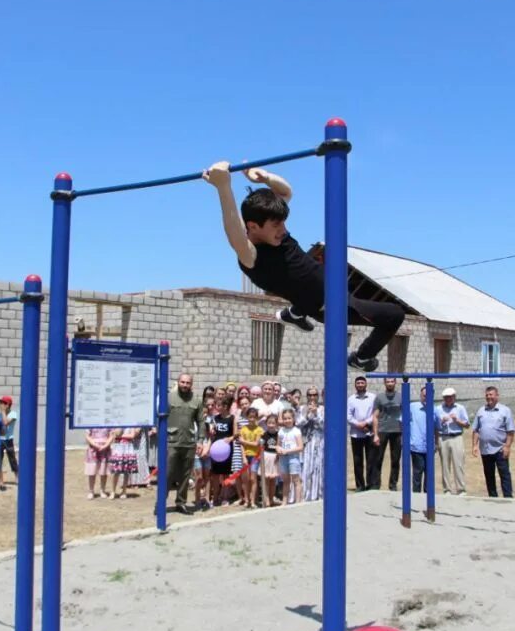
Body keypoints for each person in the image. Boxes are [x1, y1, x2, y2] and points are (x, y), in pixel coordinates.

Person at [203, 161, 405, 372]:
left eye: (283, 223)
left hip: (321, 291)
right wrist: (223, 186)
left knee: (308, 281)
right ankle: (362, 358)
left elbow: (285, 191)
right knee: (394, 315)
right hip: (330, 305)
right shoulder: (251, 255)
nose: (283, 230)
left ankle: (295, 314)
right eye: (276, 226)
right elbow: (233, 229)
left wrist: (264, 177)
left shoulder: (276, 232)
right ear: (253, 226)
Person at [167, 373, 205, 515]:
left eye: (187, 383)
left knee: (185, 474)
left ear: (191, 384)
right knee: (168, 473)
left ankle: (181, 503)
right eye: (182, 382)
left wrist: (200, 440)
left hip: (189, 443)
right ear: (178, 383)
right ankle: (161, 502)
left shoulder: (196, 400)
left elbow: (201, 422)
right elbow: (161, 418)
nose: (185, 385)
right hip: (171, 442)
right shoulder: (169, 398)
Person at [471, 386, 515, 499]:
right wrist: (474, 445)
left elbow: (510, 431)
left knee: (504, 474)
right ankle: (492, 498)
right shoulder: (481, 410)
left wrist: (507, 446)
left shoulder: (505, 410)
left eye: (491, 394)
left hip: (500, 449)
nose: (489, 397)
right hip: (485, 449)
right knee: (489, 475)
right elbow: (476, 430)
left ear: (497, 395)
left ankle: (508, 498)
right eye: (487, 395)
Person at [369, 377, 403, 492]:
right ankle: (375, 485)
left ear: (395, 383)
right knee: (378, 459)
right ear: (384, 383)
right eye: (387, 382)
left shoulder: (401, 397)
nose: (390, 383)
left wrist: (404, 432)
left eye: (391, 381)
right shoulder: (379, 397)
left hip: (397, 431)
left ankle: (393, 485)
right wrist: (375, 434)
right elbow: (375, 416)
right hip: (382, 431)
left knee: (395, 459)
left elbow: (405, 415)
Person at [438, 387, 470, 496]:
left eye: (450, 397)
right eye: (446, 397)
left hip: (457, 437)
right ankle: (447, 489)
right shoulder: (438, 409)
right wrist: (442, 421)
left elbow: (467, 425)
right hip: (443, 437)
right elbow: (435, 425)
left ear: (454, 397)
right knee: (445, 465)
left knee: (458, 463)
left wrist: (457, 420)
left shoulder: (460, 408)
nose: (448, 399)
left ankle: (461, 489)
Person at [409, 386, 441, 493]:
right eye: (424, 395)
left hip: (429, 446)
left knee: (429, 472)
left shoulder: (434, 410)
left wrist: (436, 443)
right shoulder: (412, 407)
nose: (426, 397)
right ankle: (416, 495)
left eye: (428, 396)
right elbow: (402, 422)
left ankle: (428, 495)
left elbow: (436, 428)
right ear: (420, 395)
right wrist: (406, 438)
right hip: (416, 445)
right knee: (418, 471)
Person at [347, 376, 376, 491]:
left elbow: (375, 413)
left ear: (366, 384)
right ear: (355, 385)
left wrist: (366, 423)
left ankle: (370, 484)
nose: (360, 385)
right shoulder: (351, 399)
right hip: (356, 434)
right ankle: (360, 485)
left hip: (369, 432)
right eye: (358, 383)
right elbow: (348, 416)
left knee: (371, 460)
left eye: (362, 383)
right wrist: (358, 424)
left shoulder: (372, 397)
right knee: (357, 461)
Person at [209, 397, 236, 507]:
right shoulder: (215, 418)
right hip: (216, 450)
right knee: (215, 475)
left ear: (225, 406)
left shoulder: (232, 418)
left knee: (226, 475)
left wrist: (230, 439)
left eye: (219, 405)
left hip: (226, 450)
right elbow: (212, 431)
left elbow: (236, 434)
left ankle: (225, 497)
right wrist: (211, 430)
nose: (216, 407)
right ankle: (215, 497)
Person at [299, 387, 325, 502]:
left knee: (318, 467)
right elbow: (298, 424)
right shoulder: (302, 408)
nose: (312, 397)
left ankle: (318, 494)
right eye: (310, 395)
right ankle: (306, 494)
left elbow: (324, 425)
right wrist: (307, 415)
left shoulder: (323, 409)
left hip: (319, 441)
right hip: (306, 442)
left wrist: (315, 414)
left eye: (314, 395)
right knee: (306, 467)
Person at [238, 407, 264, 509]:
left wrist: (244, 441)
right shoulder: (243, 429)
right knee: (246, 479)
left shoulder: (259, 429)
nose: (252, 419)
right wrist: (243, 457)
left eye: (254, 417)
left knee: (253, 479)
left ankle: (253, 501)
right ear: (247, 417)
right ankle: (247, 500)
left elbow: (256, 444)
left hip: (255, 456)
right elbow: (241, 446)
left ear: (257, 418)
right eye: (250, 417)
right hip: (246, 456)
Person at [277, 409, 304, 505]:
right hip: (283, 458)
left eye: (289, 418)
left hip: (293, 457)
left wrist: (287, 451)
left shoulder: (296, 431)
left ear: (293, 419)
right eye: (285, 418)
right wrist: (278, 449)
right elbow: (278, 444)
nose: (287, 420)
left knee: (296, 479)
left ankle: (298, 501)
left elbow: (300, 447)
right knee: (286, 480)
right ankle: (284, 501)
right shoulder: (281, 431)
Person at [109, 427, 140, 498]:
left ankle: (124, 491)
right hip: (118, 448)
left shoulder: (131, 424)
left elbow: (132, 435)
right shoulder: (117, 423)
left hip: (128, 447)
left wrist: (120, 436)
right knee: (116, 471)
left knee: (126, 471)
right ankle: (113, 491)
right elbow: (114, 434)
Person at [85, 427, 113, 499]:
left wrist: (105, 445)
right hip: (93, 449)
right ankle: (91, 491)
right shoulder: (91, 422)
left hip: (105, 449)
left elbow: (111, 436)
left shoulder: (108, 423)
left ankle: (102, 490)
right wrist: (95, 444)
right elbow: (87, 436)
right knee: (92, 471)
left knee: (103, 471)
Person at [260, 413, 281, 506]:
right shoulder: (264, 434)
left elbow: (280, 446)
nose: (271, 425)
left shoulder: (279, 435)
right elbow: (261, 446)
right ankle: (266, 498)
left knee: (273, 480)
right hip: (266, 457)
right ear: (266, 424)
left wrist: (278, 455)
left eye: (273, 423)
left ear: (276, 424)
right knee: (266, 479)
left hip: (275, 458)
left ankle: (272, 498)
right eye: (269, 423)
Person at [0, 396, 19, 482]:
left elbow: (6, 423)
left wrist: (3, 412)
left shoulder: (13, 414)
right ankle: (0, 479)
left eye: (2, 403)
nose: (0, 405)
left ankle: (17, 477)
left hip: (8, 439)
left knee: (12, 458)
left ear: (7, 405)